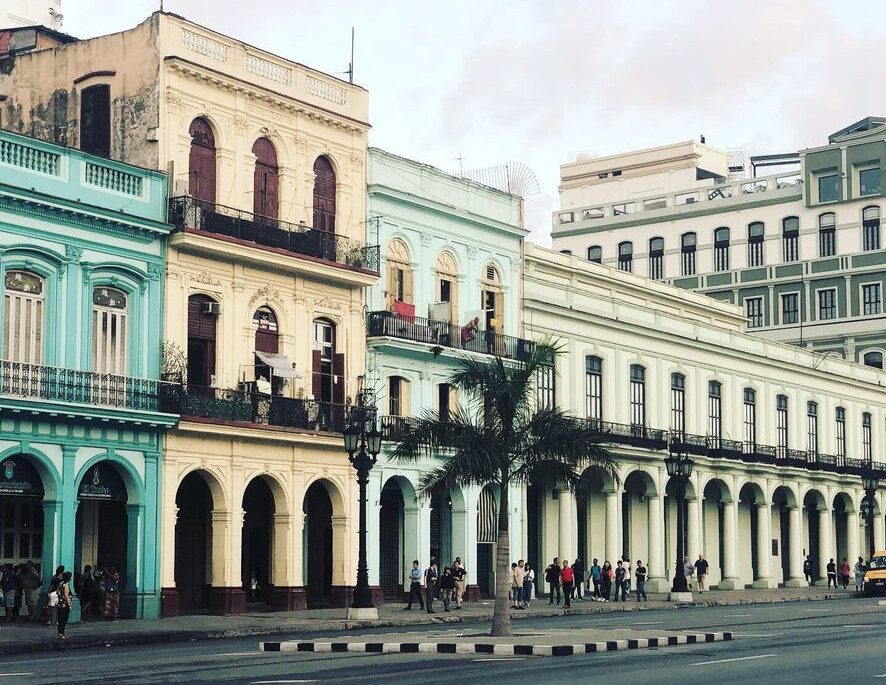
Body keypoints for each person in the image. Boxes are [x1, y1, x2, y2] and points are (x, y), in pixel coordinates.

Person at [56, 571, 72, 640]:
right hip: (65, 605)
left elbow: (57, 592)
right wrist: (70, 605)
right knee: (64, 619)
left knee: (60, 619)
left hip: (60, 604)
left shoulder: (60, 584)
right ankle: (62, 633)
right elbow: (66, 595)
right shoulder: (66, 585)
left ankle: (60, 633)